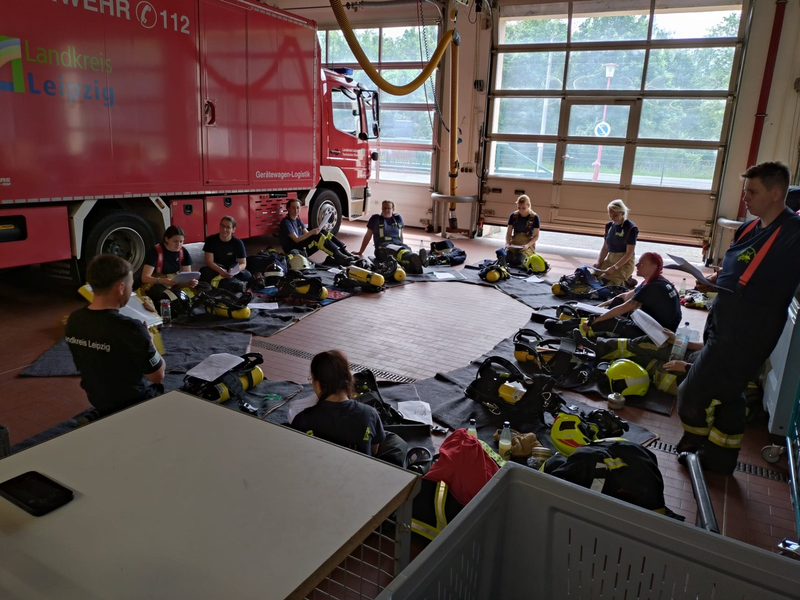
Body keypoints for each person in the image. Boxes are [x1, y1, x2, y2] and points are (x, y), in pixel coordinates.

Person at [677, 161, 800, 475]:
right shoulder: (750, 227)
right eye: (746, 190)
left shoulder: (792, 235)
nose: (746, 197)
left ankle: (692, 444)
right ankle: (719, 460)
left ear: (776, 194)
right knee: (729, 395)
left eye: (753, 192)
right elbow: (736, 267)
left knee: (690, 393)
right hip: (723, 321)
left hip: (747, 335)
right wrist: (713, 280)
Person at [65, 254, 166, 417]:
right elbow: (157, 376)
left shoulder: (74, 320)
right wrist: (151, 341)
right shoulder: (131, 328)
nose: (131, 290)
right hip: (133, 403)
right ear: (120, 288)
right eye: (131, 285)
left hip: (97, 398)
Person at [292, 350, 387, 457]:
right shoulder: (370, 414)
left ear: (318, 384)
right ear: (349, 379)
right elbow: (373, 451)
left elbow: (297, 453)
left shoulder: (302, 420)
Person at [581, 252, 681, 337]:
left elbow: (626, 307)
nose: (636, 265)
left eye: (641, 263)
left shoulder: (654, 287)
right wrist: (597, 307)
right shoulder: (656, 280)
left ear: (653, 267)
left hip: (660, 334)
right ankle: (598, 321)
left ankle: (592, 332)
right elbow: (625, 296)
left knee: (610, 322)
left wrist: (594, 321)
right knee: (617, 302)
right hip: (656, 324)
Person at [278, 198, 355, 265]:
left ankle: (343, 251)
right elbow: (296, 239)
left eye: (298, 208)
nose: (296, 210)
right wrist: (312, 232)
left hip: (300, 246)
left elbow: (307, 234)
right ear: (288, 209)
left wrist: (319, 230)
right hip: (294, 250)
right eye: (293, 208)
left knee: (323, 233)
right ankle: (338, 256)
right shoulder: (286, 222)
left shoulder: (298, 220)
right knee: (317, 238)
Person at [355, 200, 424, 272]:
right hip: (382, 247)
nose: (386, 210)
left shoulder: (398, 218)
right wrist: (360, 251)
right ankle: (415, 259)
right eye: (384, 208)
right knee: (395, 251)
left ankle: (415, 263)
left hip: (397, 245)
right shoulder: (375, 219)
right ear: (381, 209)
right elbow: (368, 236)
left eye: (388, 208)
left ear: (393, 209)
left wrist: (401, 245)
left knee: (406, 249)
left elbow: (401, 235)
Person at [594, 199, 638, 287]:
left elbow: (629, 253)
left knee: (604, 282)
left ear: (622, 213)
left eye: (615, 215)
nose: (612, 218)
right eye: (610, 215)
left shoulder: (631, 228)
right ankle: (625, 279)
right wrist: (599, 262)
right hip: (610, 259)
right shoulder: (609, 226)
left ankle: (625, 280)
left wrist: (614, 268)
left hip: (624, 262)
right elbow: (605, 247)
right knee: (592, 277)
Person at [140, 225, 198, 290]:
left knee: (202, 287)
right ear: (167, 239)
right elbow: (145, 278)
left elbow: (187, 274)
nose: (178, 244)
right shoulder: (155, 251)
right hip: (158, 281)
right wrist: (162, 280)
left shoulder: (183, 251)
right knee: (159, 291)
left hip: (175, 280)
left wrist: (191, 282)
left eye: (181, 241)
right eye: (175, 241)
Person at [200, 216, 253, 286]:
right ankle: (235, 284)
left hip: (231, 269)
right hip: (216, 268)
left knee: (248, 275)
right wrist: (220, 270)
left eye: (228, 227)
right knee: (203, 272)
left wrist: (234, 271)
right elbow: (209, 261)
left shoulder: (238, 243)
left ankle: (226, 283)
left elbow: (243, 263)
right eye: (222, 226)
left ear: (233, 230)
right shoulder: (211, 240)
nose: (224, 229)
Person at [504, 194, 540, 267]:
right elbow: (508, 233)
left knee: (518, 260)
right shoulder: (513, 215)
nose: (521, 210)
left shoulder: (534, 217)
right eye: (519, 207)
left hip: (527, 244)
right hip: (514, 242)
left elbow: (536, 236)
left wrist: (527, 245)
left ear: (528, 205)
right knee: (506, 258)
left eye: (524, 208)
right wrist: (508, 243)